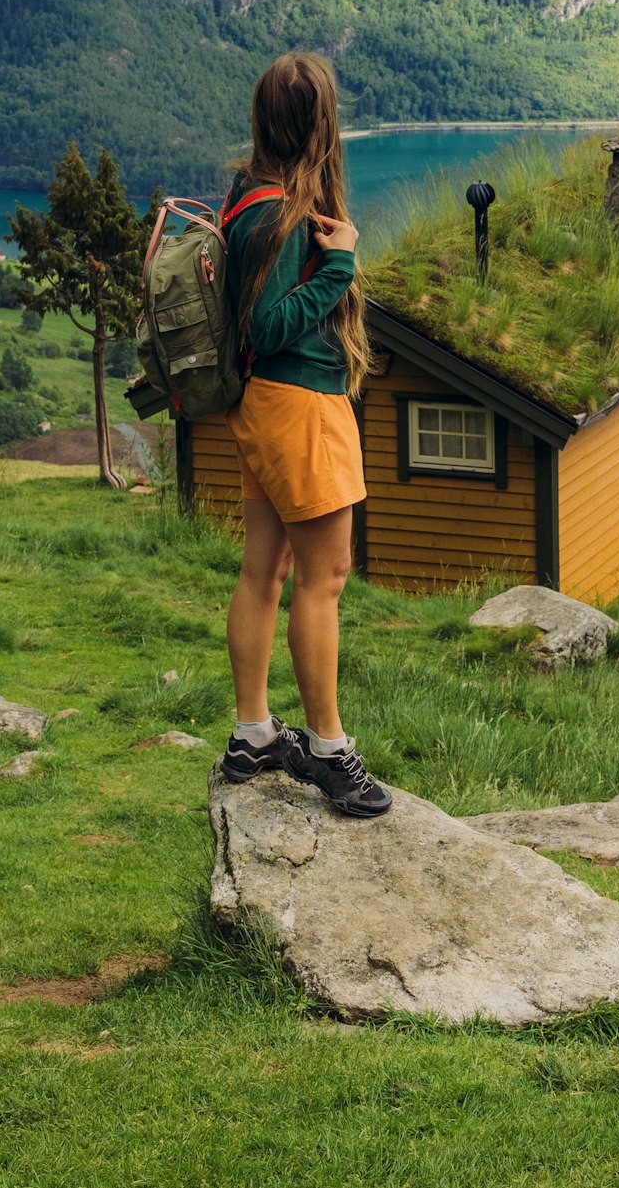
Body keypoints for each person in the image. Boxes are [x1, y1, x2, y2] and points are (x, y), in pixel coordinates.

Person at [212, 51, 393, 816]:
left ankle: (253, 732)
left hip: (261, 405)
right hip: (301, 407)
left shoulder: (246, 197)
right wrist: (339, 266)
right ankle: (328, 748)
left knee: (266, 568)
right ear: (320, 124)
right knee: (325, 577)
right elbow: (270, 323)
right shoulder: (283, 218)